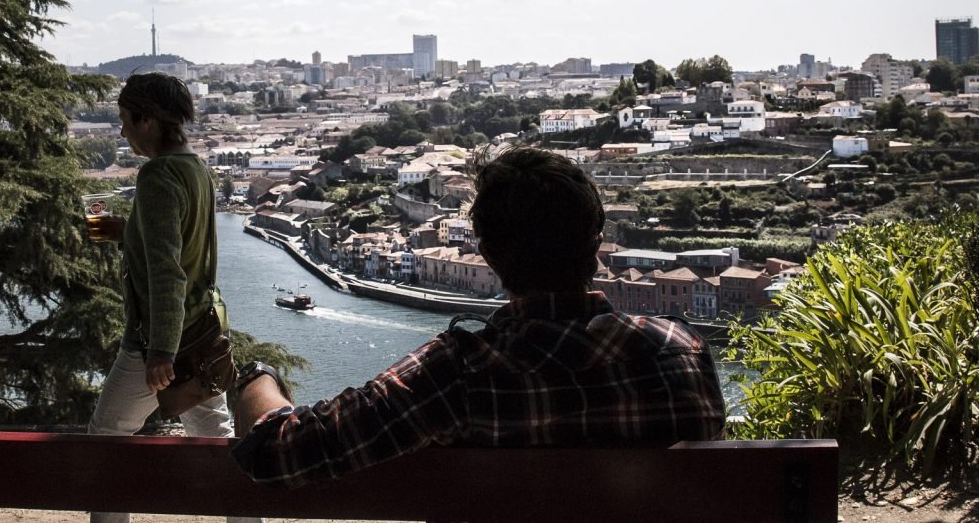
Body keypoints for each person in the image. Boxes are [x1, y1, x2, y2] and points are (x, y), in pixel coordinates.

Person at [232, 146, 727, 487]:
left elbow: (276, 453)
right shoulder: (680, 352)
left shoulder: (460, 373)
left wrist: (258, 376)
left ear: (487, 255)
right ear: (596, 243)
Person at [87, 73, 252, 523]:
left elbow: (167, 272)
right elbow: (178, 243)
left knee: (106, 437)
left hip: (157, 340)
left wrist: (160, 350)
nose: (122, 131)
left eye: (125, 121)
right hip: (204, 331)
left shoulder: (157, 175)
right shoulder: (196, 168)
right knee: (215, 437)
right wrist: (126, 231)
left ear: (150, 120)